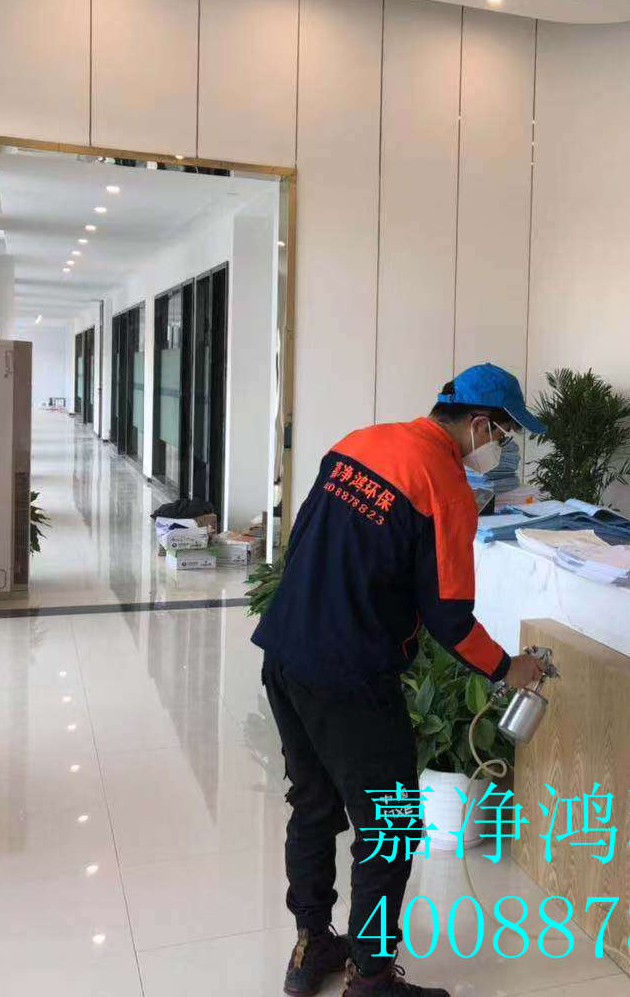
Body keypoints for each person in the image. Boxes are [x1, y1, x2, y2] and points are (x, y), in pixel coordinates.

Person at [251, 363, 548, 997]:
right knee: (391, 824)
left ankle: (312, 944)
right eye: (504, 433)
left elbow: (304, 542)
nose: (502, 447)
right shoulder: (444, 486)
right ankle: (371, 976)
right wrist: (508, 668)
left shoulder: (360, 442)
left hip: (286, 650)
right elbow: (451, 619)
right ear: (478, 425)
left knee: (314, 802)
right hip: (351, 673)